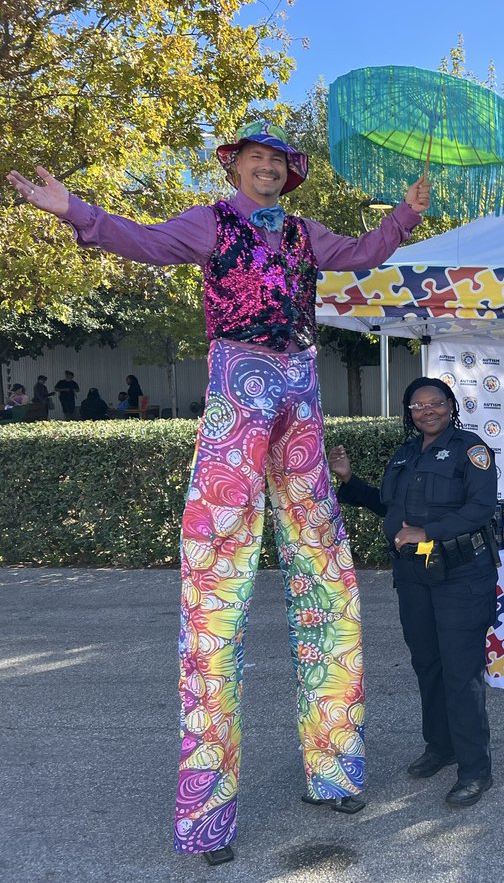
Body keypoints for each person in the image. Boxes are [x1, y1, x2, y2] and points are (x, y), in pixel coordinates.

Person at [8, 120, 431, 865]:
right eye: (256, 159)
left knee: (327, 576)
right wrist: (74, 211)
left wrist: (405, 216)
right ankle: (207, 817)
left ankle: (334, 772)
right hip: (237, 387)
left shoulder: (305, 234)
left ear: (288, 174)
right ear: (237, 168)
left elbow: (363, 255)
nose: (267, 170)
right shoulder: (210, 222)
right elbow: (141, 239)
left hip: (299, 387)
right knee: (215, 587)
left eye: (277, 162)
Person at [330, 377, 501, 809]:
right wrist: (349, 482)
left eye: (436, 403)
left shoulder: (471, 450)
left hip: (461, 575)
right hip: (414, 575)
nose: (428, 411)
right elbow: (391, 508)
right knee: (427, 664)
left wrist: (428, 531)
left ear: (450, 406)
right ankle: (440, 747)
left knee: (461, 673)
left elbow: (479, 509)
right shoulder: (405, 454)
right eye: (418, 405)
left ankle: (475, 768)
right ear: (410, 412)